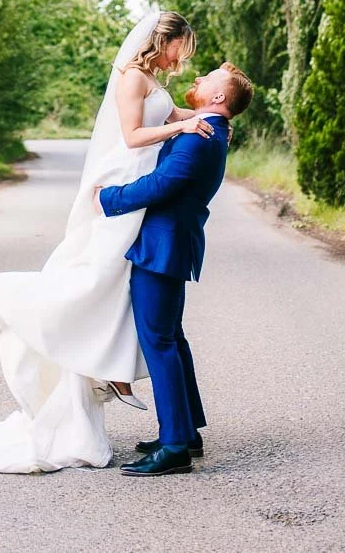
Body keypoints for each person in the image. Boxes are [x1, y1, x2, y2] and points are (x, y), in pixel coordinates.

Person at [0, 8, 207, 474]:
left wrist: (209, 115)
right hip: (127, 179)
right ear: (161, 41)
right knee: (102, 274)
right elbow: (132, 136)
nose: (181, 61)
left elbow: (179, 113)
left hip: (146, 187)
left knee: (128, 286)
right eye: (179, 50)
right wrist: (181, 127)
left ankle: (119, 379)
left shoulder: (155, 83)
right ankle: (95, 360)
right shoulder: (131, 77)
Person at [97, 60, 254, 477]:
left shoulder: (200, 137)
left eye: (208, 81)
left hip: (162, 247)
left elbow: (161, 185)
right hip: (171, 244)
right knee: (172, 339)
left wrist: (107, 198)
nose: (197, 78)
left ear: (218, 98)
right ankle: (187, 432)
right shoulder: (207, 128)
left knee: (160, 341)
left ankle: (174, 448)